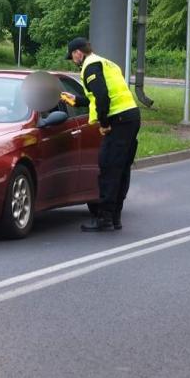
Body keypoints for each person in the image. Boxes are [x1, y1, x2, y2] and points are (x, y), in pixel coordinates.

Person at [60, 37, 140, 232]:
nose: (73, 60)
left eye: (72, 56)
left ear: (78, 52)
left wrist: (104, 123)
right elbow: (98, 96)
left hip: (118, 121)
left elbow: (103, 97)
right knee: (120, 169)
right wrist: (77, 101)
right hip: (131, 117)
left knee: (108, 168)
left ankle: (104, 218)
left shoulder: (90, 67)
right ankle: (115, 217)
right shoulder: (106, 63)